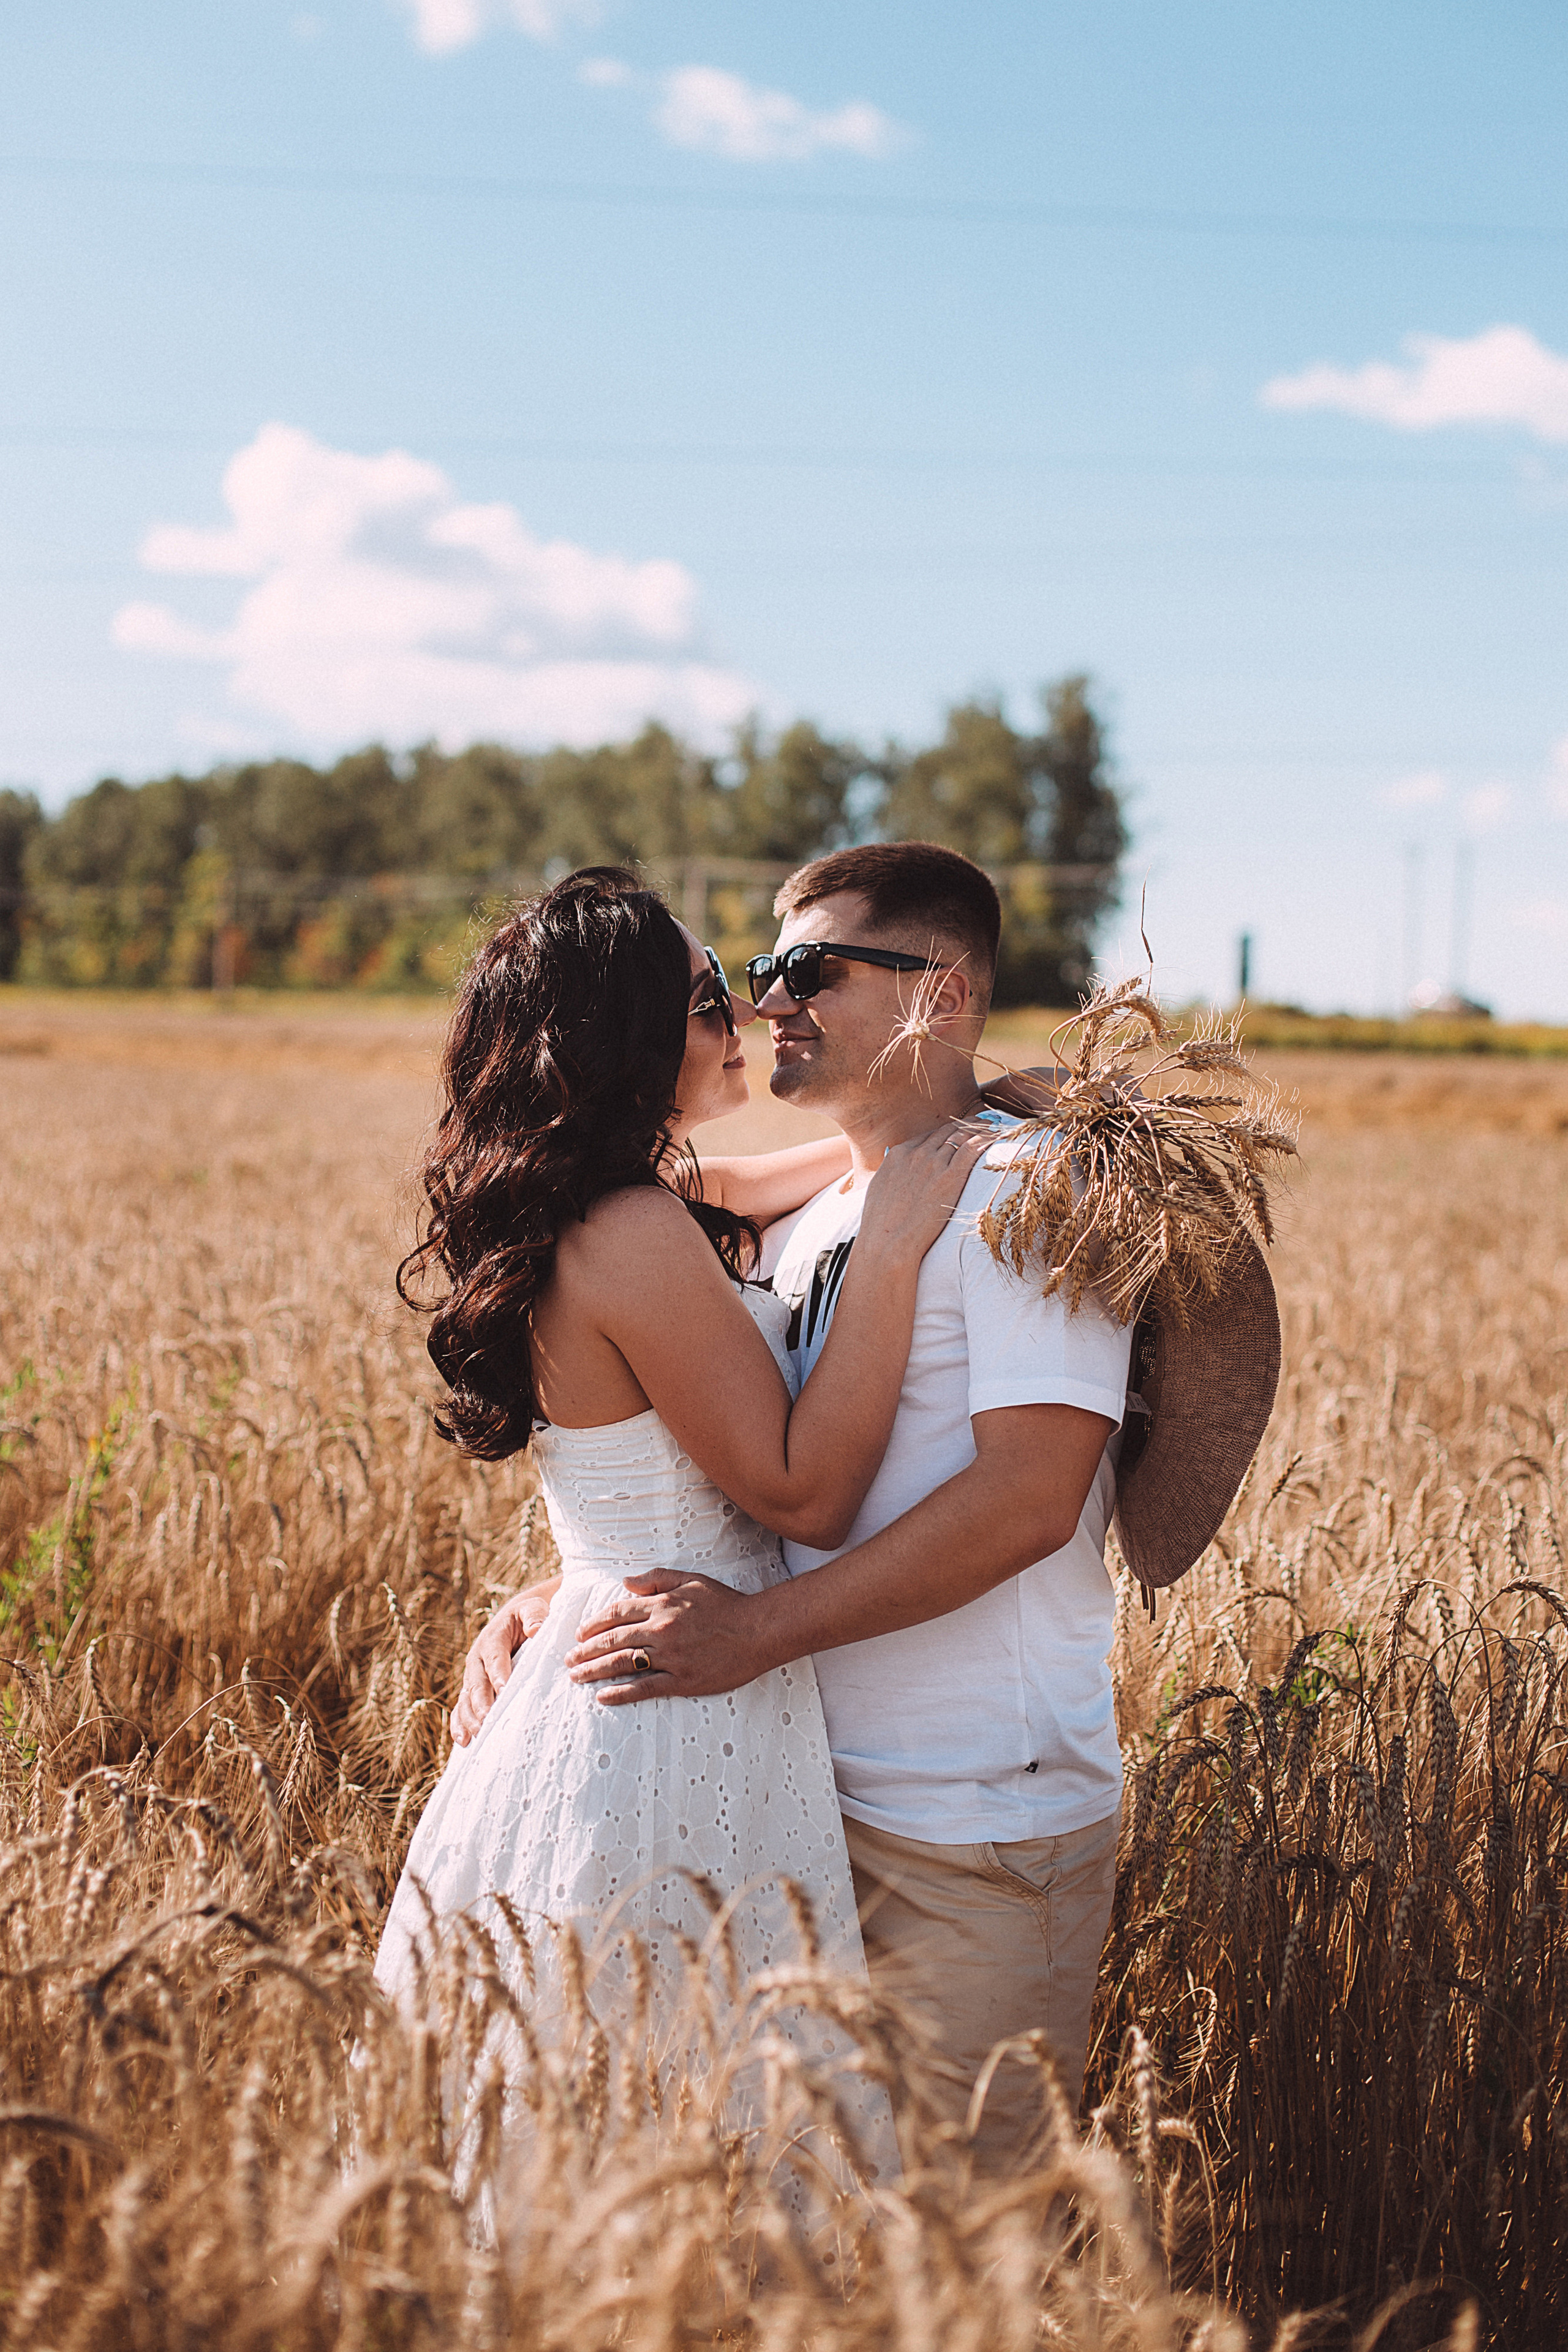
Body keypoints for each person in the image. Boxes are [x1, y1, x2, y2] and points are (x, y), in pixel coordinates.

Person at [467, 843, 1137, 2168]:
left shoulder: (1028, 1194)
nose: (768, 999)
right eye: (754, 973)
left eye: (806, 970)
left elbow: (1028, 1499)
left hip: (966, 1824)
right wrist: (574, 1588)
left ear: (938, 994)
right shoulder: (817, 1211)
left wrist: (753, 1635)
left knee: (954, 2260)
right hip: (772, 1805)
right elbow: (707, 1457)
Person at [375, 866, 986, 2156]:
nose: (747, 1016)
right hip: (669, 1704)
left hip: (610, 1659)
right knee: (678, 2098)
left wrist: (966, 1119)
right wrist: (887, 1249)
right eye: (714, 995)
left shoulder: (588, 1198)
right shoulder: (633, 1225)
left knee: (591, 2109)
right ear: (636, 1032)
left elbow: (768, 1184)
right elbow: (800, 1489)